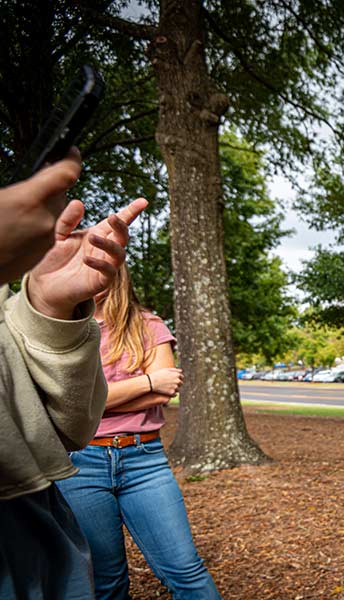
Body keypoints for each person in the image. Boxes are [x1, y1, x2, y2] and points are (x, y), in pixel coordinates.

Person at [0, 148, 148, 599]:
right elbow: (154, 385)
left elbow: (62, 425)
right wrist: (147, 384)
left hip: (34, 515)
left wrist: (49, 307)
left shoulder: (148, 326)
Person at [57, 263, 221, 600]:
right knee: (106, 581)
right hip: (80, 463)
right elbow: (66, 404)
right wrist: (146, 381)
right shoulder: (61, 330)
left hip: (144, 461)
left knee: (187, 571)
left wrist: (93, 400)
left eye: (99, 270)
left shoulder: (148, 325)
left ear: (115, 274)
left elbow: (165, 390)